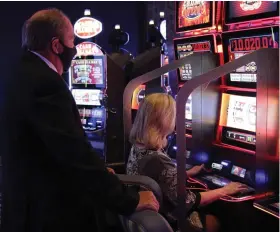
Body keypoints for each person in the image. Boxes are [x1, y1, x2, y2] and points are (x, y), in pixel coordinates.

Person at [0, 8, 159, 232]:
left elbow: (53, 149)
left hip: (24, 201)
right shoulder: (45, 83)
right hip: (44, 212)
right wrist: (129, 199)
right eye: (71, 41)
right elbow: (74, 154)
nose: (74, 49)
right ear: (56, 46)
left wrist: (102, 173)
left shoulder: (20, 70)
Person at [127, 93, 247, 232]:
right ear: (164, 119)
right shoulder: (157, 158)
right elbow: (188, 201)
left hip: (149, 212)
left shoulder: (138, 146)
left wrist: (187, 173)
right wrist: (225, 190)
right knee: (216, 221)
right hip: (167, 218)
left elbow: (160, 178)